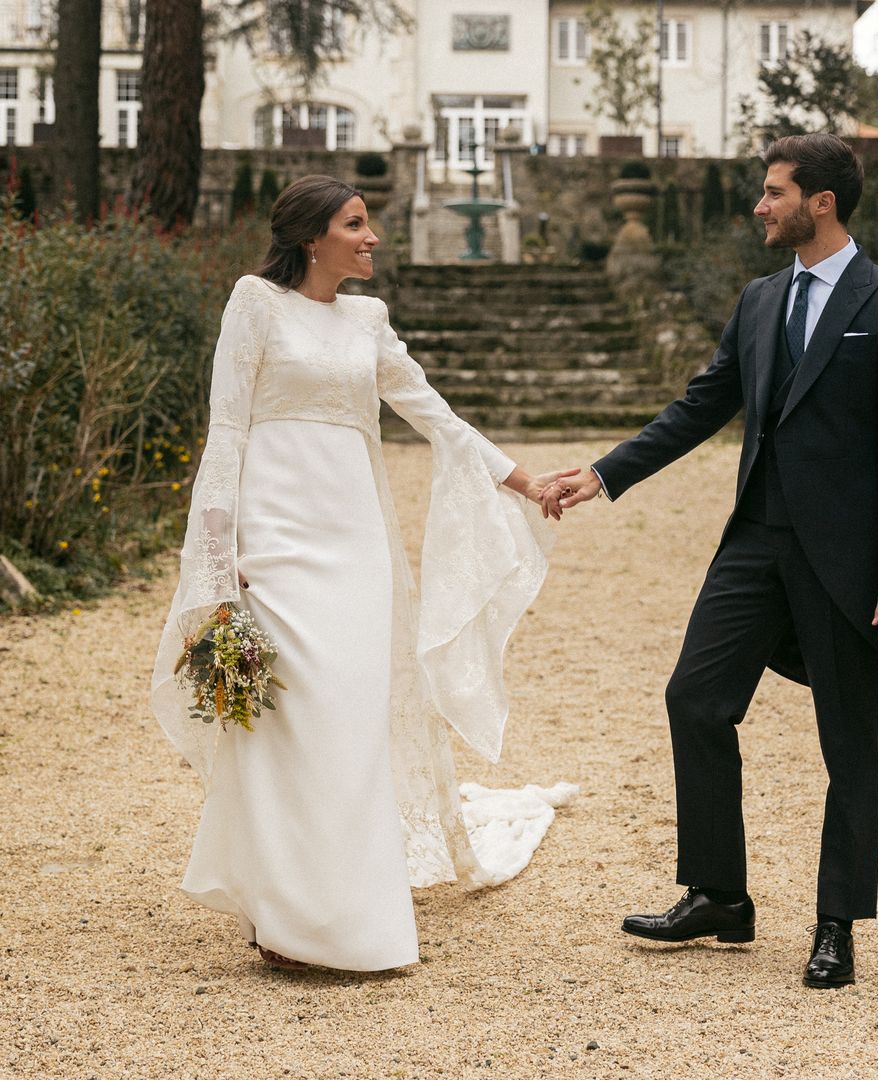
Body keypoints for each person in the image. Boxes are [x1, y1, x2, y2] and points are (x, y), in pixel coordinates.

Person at [546, 134, 878, 988]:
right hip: (755, 543)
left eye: (773, 193)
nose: (760, 207)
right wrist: (606, 473)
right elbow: (703, 404)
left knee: (848, 741)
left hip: (848, 561)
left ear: (821, 202)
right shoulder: (760, 300)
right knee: (695, 696)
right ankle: (720, 895)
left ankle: (835, 923)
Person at [151, 175, 578, 972]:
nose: (372, 235)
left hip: (355, 545)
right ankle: (279, 910)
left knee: (348, 726)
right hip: (273, 543)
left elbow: (434, 415)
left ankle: (344, 911)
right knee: (285, 726)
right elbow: (227, 432)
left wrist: (527, 483)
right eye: (356, 223)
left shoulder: (368, 319)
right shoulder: (254, 302)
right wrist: (216, 560)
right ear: (313, 237)